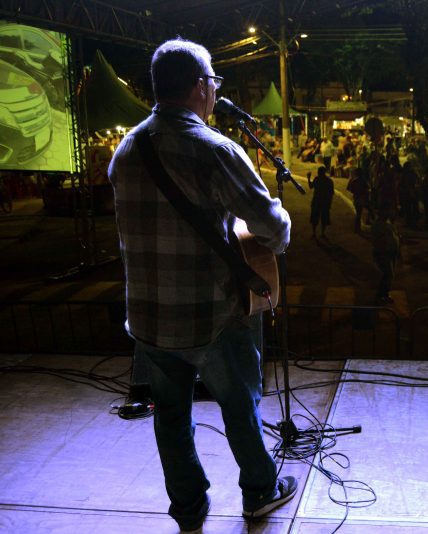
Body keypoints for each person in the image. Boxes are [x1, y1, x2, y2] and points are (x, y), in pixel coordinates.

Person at [108, 38, 297, 533]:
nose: (215, 92)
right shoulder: (214, 149)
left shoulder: (126, 149)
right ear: (199, 89)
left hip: (149, 317)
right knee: (240, 404)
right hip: (211, 315)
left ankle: (188, 509)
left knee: (170, 414)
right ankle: (259, 490)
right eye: (213, 82)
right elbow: (274, 231)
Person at [371, 205, 400, 304]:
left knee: (389, 275)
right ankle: (381, 295)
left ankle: (384, 294)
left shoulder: (388, 222)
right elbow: (379, 241)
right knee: (388, 274)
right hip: (383, 253)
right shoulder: (378, 225)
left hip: (391, 252)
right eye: (387, 211)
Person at [308, 165, 334, 239]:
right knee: (324, 218)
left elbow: (310, 186)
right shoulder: (329, 181)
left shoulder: (317, 179)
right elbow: (331, 193)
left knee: (315, 217)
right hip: (325, 202)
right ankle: (322, 233)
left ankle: (314, 233)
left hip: (317, 201)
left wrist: (309, 178)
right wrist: (329, 203)